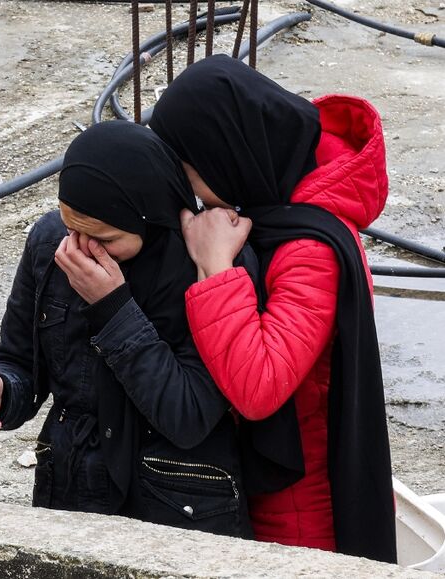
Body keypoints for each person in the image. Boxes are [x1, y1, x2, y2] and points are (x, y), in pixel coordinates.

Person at [0, 121, 253, 538]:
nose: (81, 248)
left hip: (176, 507)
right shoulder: (49, 242)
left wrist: (112, 306)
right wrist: (1, 390)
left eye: (104, 238)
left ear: (149, 217)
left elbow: (188, 416)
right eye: (71, 226)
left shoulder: (208, 263)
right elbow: (20, 361)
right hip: (70, 488)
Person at [150, 54, 395, 562]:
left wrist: (216, 266)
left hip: (301, 502)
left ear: (227, 157)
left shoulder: (310, 249)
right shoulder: (282, 197)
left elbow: (260, 386)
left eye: (189, 171)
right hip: (282, 474)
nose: (190, 193)